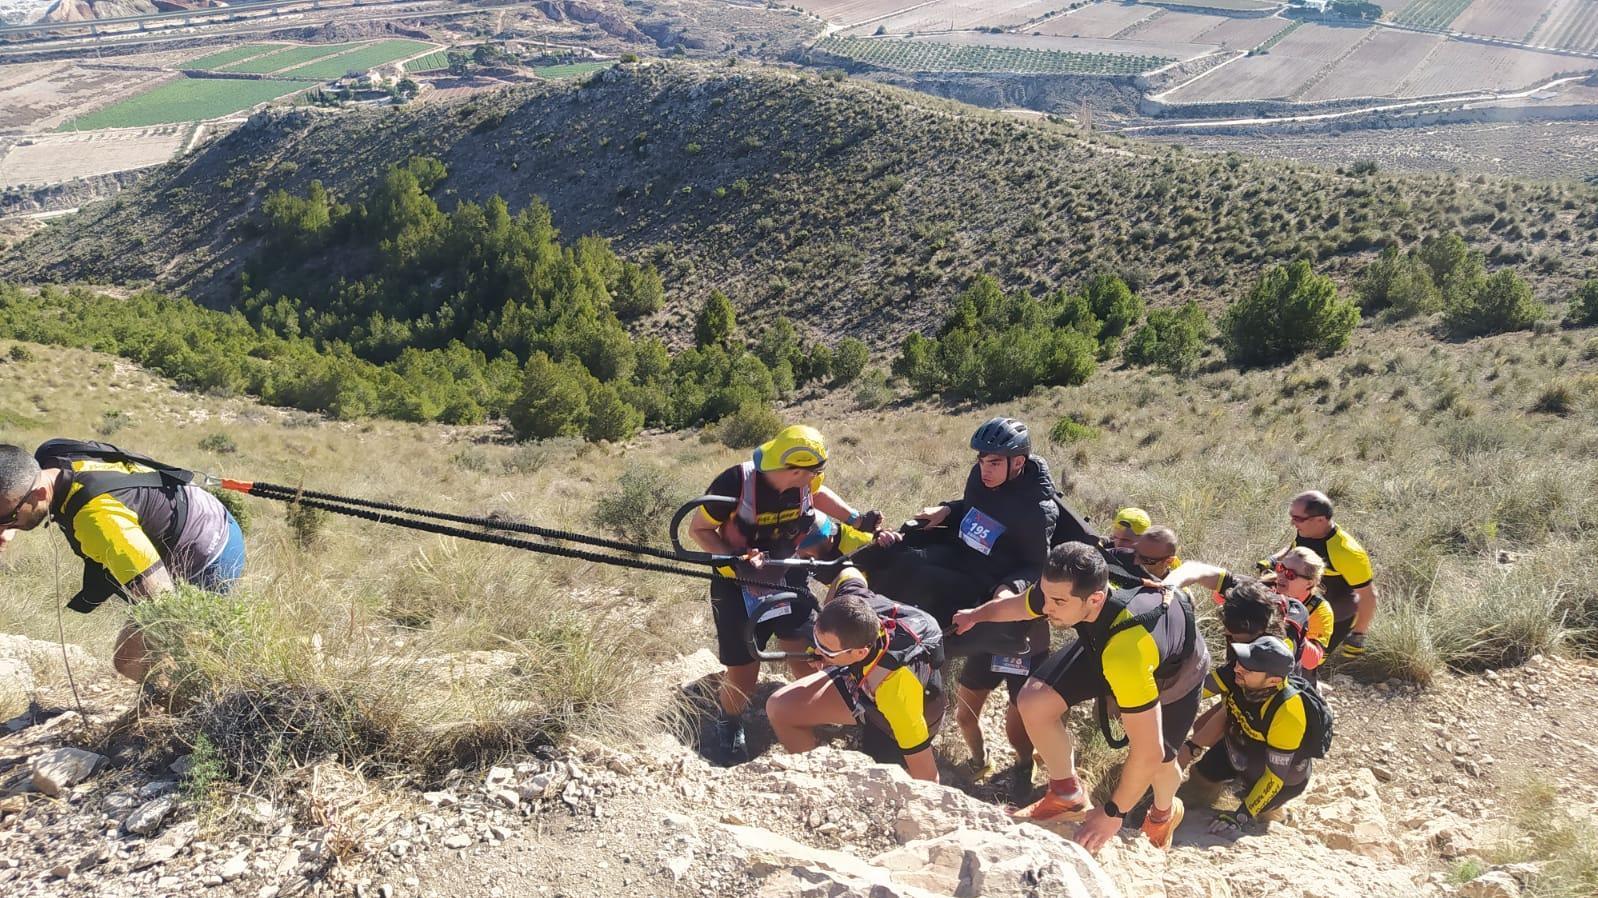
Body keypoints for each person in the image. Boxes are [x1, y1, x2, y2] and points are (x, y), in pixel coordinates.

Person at [953, 542, 1210, 853]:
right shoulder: (1065, 589)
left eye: (1058, 602)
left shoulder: (1125, 654)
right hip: (1106, 637)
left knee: (1162, 761)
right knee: (1034, 700)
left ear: (1096, 598)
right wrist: (975, 616)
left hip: (1173, 669)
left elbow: (1149, 752)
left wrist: (1113, 813)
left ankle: (1163, 813)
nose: (1047, 609)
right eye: (1046, 597)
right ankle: (1066, 794)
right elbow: (1024, 604)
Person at [688, 425, 874, 763]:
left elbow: (817, 495)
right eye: (813, 472)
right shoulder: (735, 483)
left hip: (787, 573)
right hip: (736, 584)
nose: (817, 477)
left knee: (811, 652)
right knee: (743, 672)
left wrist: (855, 519)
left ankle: (815, 712)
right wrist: (735, 562)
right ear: (794, 470)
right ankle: (728, 723)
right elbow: (698, 529)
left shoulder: (803, 482)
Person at [0, 439, 247, 682]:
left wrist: (180, 654)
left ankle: (189, 708)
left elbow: (163, 603)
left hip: (213, 553)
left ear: (40, 494)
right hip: (201, 508)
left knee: (131, 660)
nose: (5, 526)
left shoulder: (98, 521)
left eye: (9, 518)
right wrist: (9, 523)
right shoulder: (51, 454)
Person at [862, 417, 1058, 646]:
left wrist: (1010, 588)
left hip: (987, 576)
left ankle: (889, 637)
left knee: (925, 579)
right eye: (981, 461)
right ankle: (864, 615)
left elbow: (1035, 565)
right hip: (962, 552)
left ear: (1017, 463)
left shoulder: (1037, 510)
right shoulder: (981, 477)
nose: (984, 470)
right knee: (909, 561)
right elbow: (973, 508)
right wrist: (947, 510)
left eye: (994, 463)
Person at [765, 568, 945, 782]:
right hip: (860, 675)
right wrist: (826, 643)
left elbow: (928, 777)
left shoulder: (896, 694)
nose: (818, 651)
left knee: (886, 772)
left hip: (907, 712)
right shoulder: (853, 603)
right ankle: (813, 785)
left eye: (828, 650)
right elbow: (848, 571)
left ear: (860, 652)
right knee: (780, 708)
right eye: (817, 640)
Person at [1179, 636, 1324, 836]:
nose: (1239, 668)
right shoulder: (1236, 674)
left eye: (1249, 668)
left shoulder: (1288, 712)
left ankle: (1277, 814)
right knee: (1200, 778)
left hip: (1281, 773)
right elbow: (1192, 691)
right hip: (1241, 745)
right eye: (1241, 661)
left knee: (1259, 808)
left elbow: (1274, 777)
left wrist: (1240, 816)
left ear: (1273, 681)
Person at [1161, 548, 1334, 674]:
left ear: (1310, 583)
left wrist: (1288, 621)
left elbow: (1312, 661)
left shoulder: (1319, 610)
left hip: (1286, 673)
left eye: (1290, 574)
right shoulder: (1265, 587)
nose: (1281, 575)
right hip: (1244, 661)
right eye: (1281, 568)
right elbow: (1218, 597)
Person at [952, 614, 1049, 802]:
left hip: (1029, 651)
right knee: (964, 717)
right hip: (986, 646)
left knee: (1016, 733)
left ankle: (1024, 764)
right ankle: (980, 762)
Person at [1282, 490, 1375, 656]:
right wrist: (1274, 560)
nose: (1292, 522)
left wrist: (1358, 635)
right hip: (1305, 610)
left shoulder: (1347, 552)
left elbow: (1368, 595)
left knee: (1306, 666)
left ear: (1320, 519)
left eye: (1297, 518)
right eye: (1292, 516)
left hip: (1335, 620)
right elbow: (1295, 547)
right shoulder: (1307, 530)